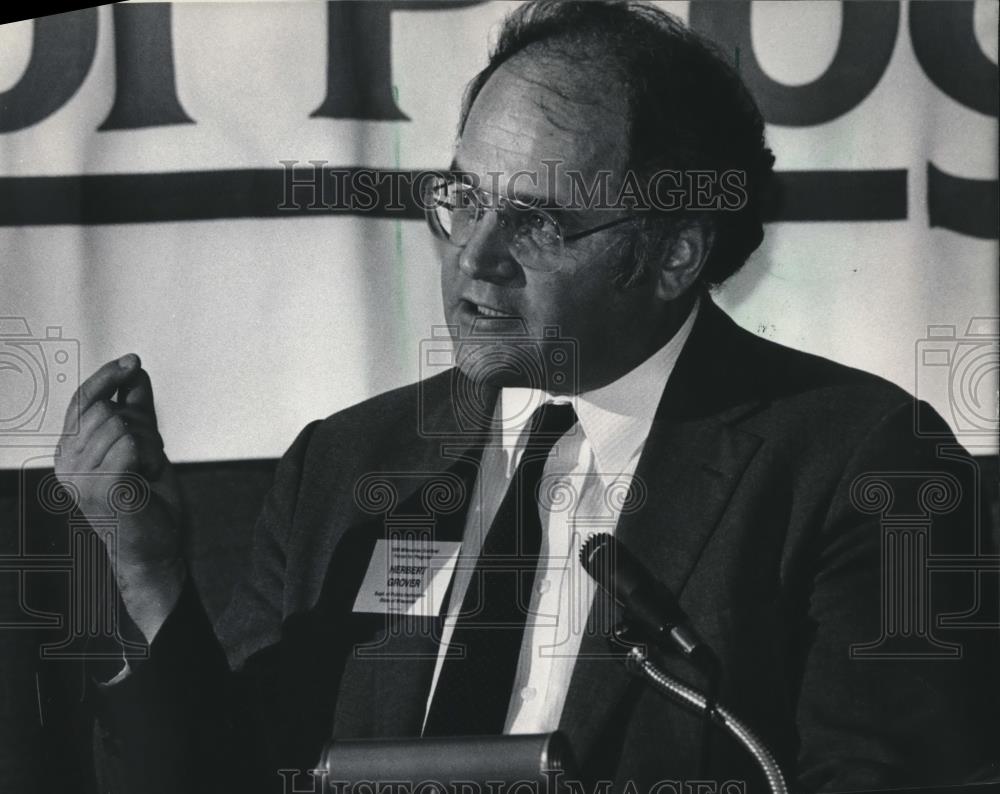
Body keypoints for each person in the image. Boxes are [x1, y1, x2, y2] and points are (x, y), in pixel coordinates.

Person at [55, 2, 996, 792]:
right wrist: (145, 575)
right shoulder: (345, 466)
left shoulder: (870, 465)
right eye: (463, 197)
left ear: (673, 252)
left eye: (536, 219)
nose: (475, 257)